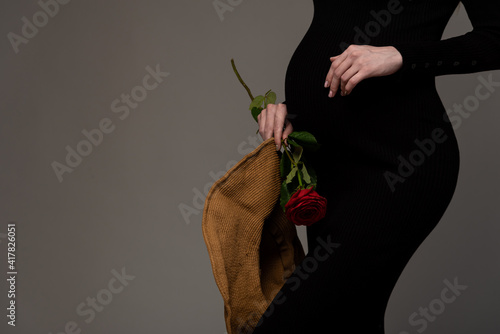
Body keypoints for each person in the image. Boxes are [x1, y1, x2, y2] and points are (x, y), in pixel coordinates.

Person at [252, 0, 500, 333]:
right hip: (327, 164)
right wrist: (294, 109)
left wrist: (399, 55)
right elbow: (338, 25)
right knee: (351, 321)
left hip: (399, 163)